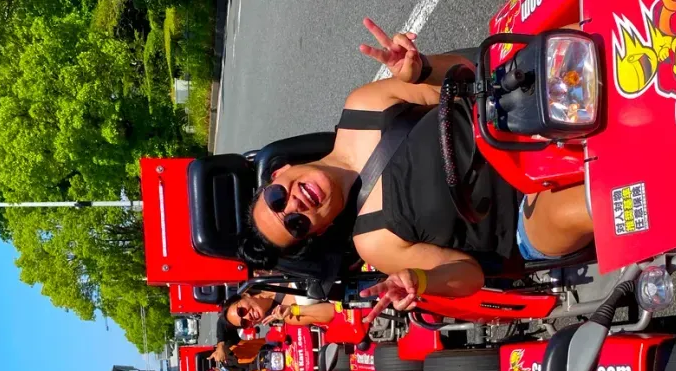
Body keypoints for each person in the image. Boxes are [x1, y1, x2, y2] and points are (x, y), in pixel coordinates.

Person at [241, 18, 594, 321]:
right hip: (526, 212)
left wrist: (422, 70)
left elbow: (470, 74)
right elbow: (470, 275)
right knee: (583, 204)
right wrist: (421, 280)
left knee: (575, 39)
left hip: (514, 117)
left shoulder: (364, 107)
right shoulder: (373, 242)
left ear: (280, 172)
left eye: (277, 199)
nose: (294, 205)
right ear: (319, 230)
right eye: (295, 224)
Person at [223, 290, 341, 329]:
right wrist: (295, 310)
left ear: (245, 295)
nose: (247, 317)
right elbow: (332, 312)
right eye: (244, 322)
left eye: (241, 311)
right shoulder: (289, 316)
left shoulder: (267, 274)